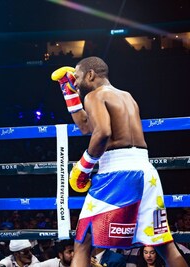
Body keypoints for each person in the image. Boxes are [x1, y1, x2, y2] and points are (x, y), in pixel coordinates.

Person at [51, 57, 188, 267]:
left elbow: (103, 132)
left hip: (117, 172)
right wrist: (68, 92)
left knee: (83, 242)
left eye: (77, 77)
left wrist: (83, 167)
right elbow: (87, 127)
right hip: (146, 172)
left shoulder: (95, 95)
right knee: (163, 245)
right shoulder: (127, 96)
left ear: (90, 75)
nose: (75, 82)